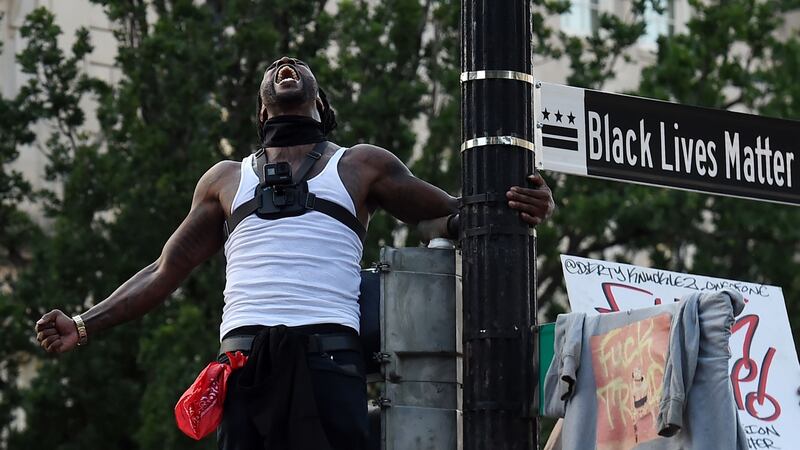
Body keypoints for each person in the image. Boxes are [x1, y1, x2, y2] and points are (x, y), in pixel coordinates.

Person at [34, 56, 555, 450]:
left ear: (319, 107)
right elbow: (165, 270)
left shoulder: (359, 166)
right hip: (243, 367)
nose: (286, 64)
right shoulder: (225, 180)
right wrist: (83, 324)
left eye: (299, 66)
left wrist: (523, 204)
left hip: (327, 362)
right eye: (277, 67)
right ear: (263, 110)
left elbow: (454, 215)